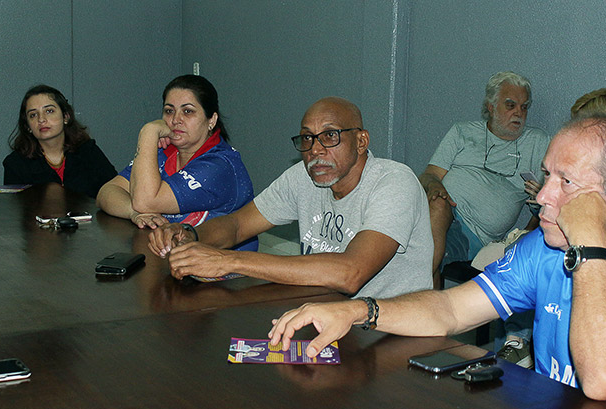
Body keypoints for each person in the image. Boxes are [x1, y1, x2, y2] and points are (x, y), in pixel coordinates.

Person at [269, 115, 606, 409]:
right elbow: (451, 310)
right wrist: (359, 310)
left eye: (567, 183)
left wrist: (589, 243)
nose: (544, 198)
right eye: (546, 176)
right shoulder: (546, 246)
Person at [147, 97, 433, 299]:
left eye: (330, 136)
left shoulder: (394, 182)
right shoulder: (304, 175)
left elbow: (351, 273)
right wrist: (189, 235)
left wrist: (228, 262)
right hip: (324, 312)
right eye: (307, 138)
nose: (316, 150)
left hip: (390, 329)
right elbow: (237, 225)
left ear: (361, 141)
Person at [420, 71, 550, 366]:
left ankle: (426, 316)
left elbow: (551, 202)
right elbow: (429, 175)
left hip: (472, 234)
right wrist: (437, 188)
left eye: (524, 107)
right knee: (435, 211)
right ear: (490, 107)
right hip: (442, 213)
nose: (519, 113)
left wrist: (539, 196)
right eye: (510, 105)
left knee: (424, 242)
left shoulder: (537, 141)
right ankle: (427, 315)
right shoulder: (462, 132)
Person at [97, 75, 257, 251]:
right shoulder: (164, 152)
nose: (175, 120)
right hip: (173, 259)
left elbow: (145, 201)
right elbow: (107, 192)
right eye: (169, 111)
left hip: (221, 274)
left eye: (188, 111)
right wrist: (133, 212)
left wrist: (148, 132)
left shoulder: (220, 165)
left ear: (211, 120)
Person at [3, 85, 116, 198]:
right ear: (27, 126)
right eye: (33, 115)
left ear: (66, 117)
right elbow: (16, 210)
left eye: (49, 111)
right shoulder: (15, 164)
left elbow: (114, 191)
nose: (41, 119)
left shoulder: (88, 151)